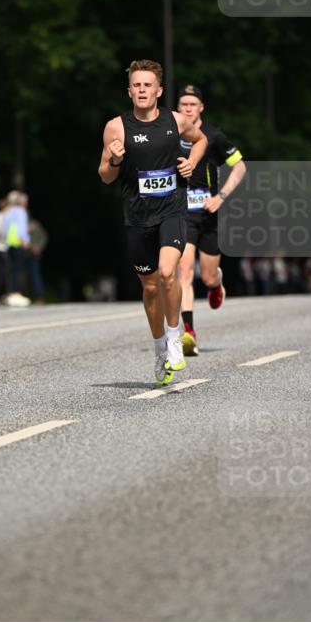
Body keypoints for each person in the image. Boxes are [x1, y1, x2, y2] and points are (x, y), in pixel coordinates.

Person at [98, 59, 207, 385]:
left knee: (169, 273)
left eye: (148, 85)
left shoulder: (176, 121)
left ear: (158, 90)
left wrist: (190, 163)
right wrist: (115, 158)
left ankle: (175, 336)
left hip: (173, 210)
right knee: (149, 287)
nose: (142, 90)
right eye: (137, 85)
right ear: (129, 90)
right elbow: (105, 176)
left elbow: (200, 140)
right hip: (137, 216)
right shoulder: (116, 127)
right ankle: (160, 347)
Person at [176, 84, 247, 356]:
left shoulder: (214, 136)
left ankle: (216, 284)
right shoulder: (171, 135)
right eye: (183, 105)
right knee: (184, 272)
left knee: (206, 277)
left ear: (201, 108)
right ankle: (188, 333)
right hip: (182, 214)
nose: (187, 109)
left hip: (208, 213)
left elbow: (240, 166)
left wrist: (222, 196)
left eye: (192, 105)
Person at [3, 190, 31, 307]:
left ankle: (10, 293)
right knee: (18, 270)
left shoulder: (9, 212)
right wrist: (24, 241)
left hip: (9, 243)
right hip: (19, 243)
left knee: (11, 269)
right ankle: (16, 293)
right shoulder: (21, 212)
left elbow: (5, 229)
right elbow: (21, 228)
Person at [27, 215, 48, 303]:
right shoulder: (20, 224)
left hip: (34, 254)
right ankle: (27, 296)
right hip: (24, 253)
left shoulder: (36, 224)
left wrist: (38, 247)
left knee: (35, 275)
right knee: (24, 276)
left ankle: (39, 296)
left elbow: (44, 237)